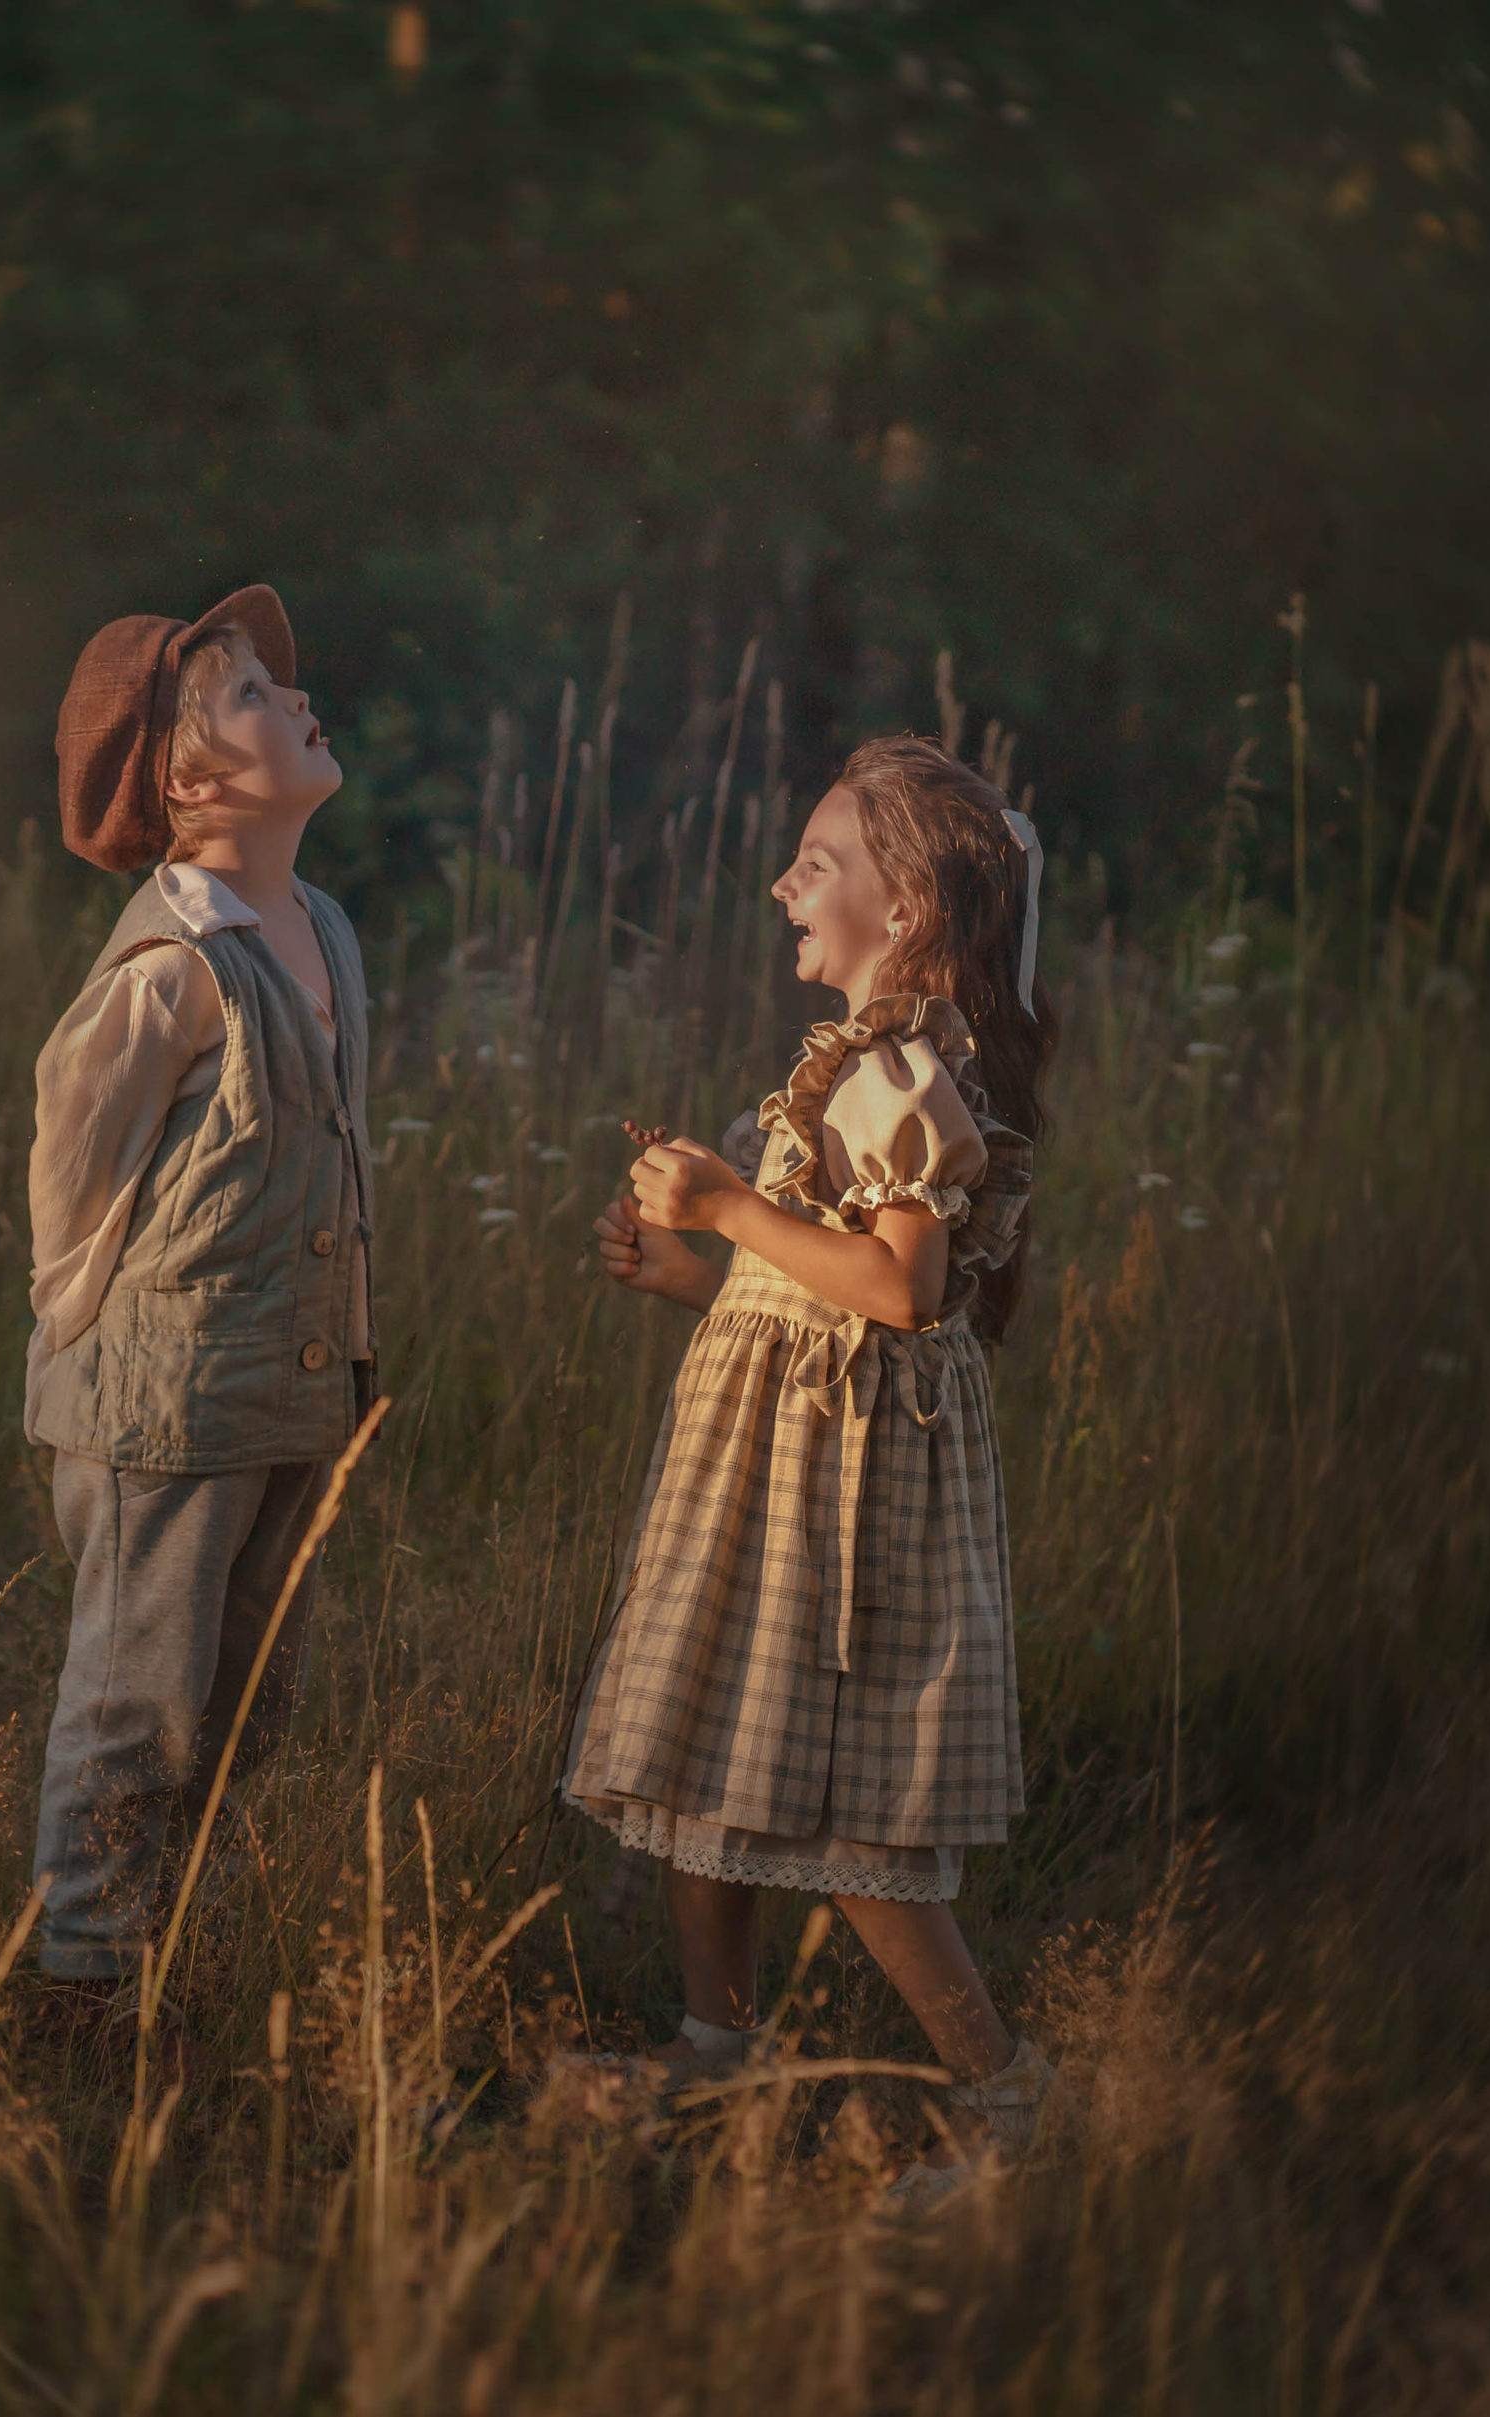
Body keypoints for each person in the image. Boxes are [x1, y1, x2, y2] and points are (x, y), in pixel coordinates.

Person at [570, 733, 1056, 2198]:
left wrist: (722, 1204)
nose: (785, 881)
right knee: (712, 1754)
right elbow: (828, 1285)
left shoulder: (902, 1065)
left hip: (843, 1497)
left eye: (818, 861)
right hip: (774, 1467)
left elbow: (905, 1288)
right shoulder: (847, 1057)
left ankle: (1016, 2105)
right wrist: (699, 1272)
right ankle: (718, 2055)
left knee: (846, 1816)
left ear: (901, 909)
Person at [24, 584, 375, 2025]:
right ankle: (80, 1988)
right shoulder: (172, 961)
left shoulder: (325, 927)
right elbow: (72, 1140)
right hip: (163, 1396)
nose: (297, 700)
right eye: (251, 696)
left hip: (284, 1384)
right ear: (185, 778)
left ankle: (171, 1955)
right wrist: (84, 1322)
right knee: (135, 1700)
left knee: (236, 1696)